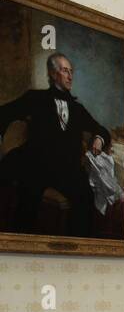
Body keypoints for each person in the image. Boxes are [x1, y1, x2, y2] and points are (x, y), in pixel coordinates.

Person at [0, 53, 112, 237]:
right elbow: (5, 113)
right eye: (64, 71)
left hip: (67, 169)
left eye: (71, 71)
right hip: (36, 164)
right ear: (52, 74)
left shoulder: (77, 109)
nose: (70, 76)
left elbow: (100, 129)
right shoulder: (35, 98)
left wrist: (99, 138)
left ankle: (77, 248)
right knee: (27, 199)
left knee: (85, 197)